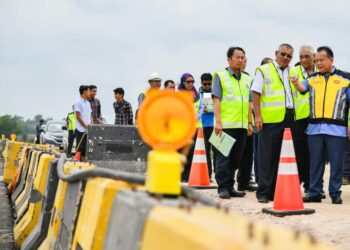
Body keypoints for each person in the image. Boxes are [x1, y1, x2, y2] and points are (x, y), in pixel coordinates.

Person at [290, 46, 350, 204]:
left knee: (336, 164)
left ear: (331, 59)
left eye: (321, 60)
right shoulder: (312, 78)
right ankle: (315, 192)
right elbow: (302, 88)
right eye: (316, 61)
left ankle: (335, 193)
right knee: (315, 163)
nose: (318, 63)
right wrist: (296, 83)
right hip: (315, 129)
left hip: (337, 130)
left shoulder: (346, 78)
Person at [252, 43, 302, 203]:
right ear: (276, 53)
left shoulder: (293, 72)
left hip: (289, 118)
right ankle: (263, 192)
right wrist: (257, 116)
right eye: (283, 54)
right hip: (270, 120)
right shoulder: (264, 70)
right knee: (267, 156)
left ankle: (276, 191)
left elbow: (299, 92)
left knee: (284, 156)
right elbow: (256, 92)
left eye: (289, 56)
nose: (286, 58)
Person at [212, 46, 252, 199]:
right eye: (237, 57)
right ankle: (222, 187)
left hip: (241, 125)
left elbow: (249, 103)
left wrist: (249, 123)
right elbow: (216, 100)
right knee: (223, 158)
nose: (240, 60)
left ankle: (230, 186)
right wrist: (218, 122)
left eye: (242, 57)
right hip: (226, 125)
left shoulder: (247, 78)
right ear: (229, 59)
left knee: (236, 159)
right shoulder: (220, 76)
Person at [291, 45, 317, 194]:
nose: (304, 59)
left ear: (313, 56)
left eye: (307, 56)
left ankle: (313, 186)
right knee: (300, 154)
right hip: (299, 120)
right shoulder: (294, 72)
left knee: (315, 155)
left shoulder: (320, 73)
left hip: (317, 119)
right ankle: (301, 184)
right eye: (301, 57)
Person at [236, 57, 256, 192]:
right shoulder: (223, 77)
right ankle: (226, 184)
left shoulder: (248, 79)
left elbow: (252, 102)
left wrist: (251, 122)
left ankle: (244, 182)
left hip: (248, 122)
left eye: (244, 60)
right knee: (231, 156)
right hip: (230, 123)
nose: (242, 62)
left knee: (247, 155)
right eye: (239, 59)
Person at [178, 73, 203, 182]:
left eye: (192, 81)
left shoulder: (197, 95)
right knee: (181, 152)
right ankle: (178, 175)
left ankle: (187, 177)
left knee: (192, 152)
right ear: (183, 82)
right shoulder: (178, 94)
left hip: (194, 127)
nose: (190, 83)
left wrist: (196, 117)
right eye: (188, 81)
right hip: (181, 127)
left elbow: (201, 107)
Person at [199, 73, 215, 180]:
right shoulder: (198, 95)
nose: (207, 86)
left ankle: (217, 174)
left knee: (217, 152)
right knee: (206, 153)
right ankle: (208, 174)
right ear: (201, 83)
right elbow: (208, 108)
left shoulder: (215, 92)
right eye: (205, 84)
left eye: (209, 84)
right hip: (203, 127)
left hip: (214, 125)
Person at [74, 85, 92, 161]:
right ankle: (78, 164)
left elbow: (89, 115)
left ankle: (84, 164)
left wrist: (91, 125)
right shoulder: (77, 102)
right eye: (88, 91)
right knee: (79, 148)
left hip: (88, 129)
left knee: (86, 149)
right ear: (84, 91)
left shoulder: (88, 103)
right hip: (80, 129)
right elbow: (78, 117)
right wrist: (85, 126)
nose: (90, 93)